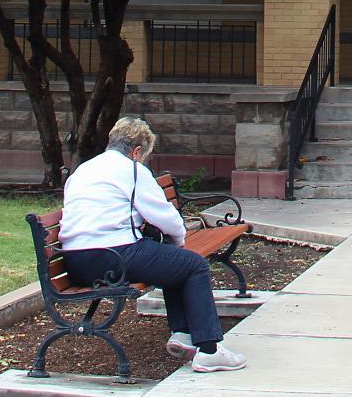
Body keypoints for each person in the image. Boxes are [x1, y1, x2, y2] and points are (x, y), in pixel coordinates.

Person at [57, 116, 245, 372]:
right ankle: (210, 350)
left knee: (173, 263)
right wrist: (179, 242)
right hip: (114, 255)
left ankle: (183, 335)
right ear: (136, 151)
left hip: (76, 262)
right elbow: (165, 216)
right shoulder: (132, 170)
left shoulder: (84, 169)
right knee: (194, 265)